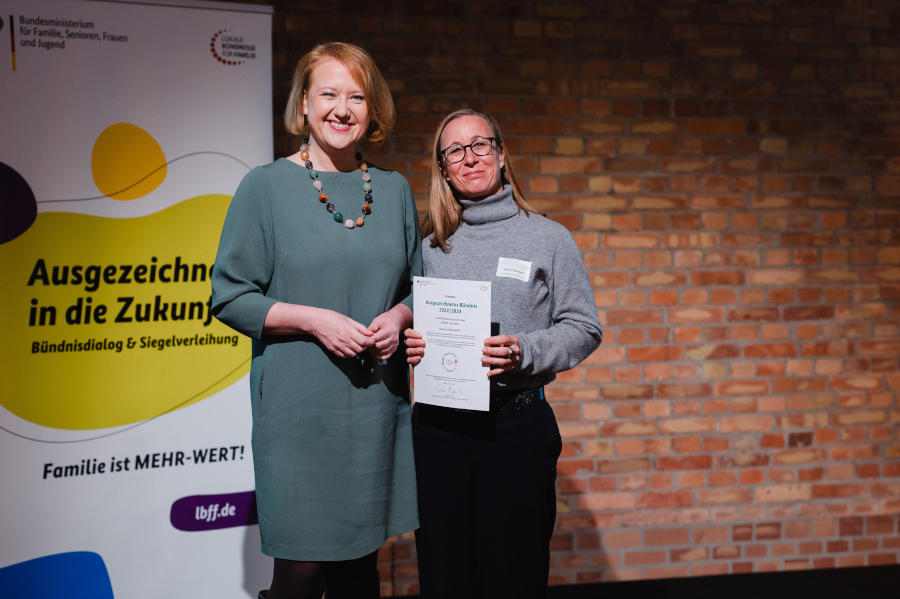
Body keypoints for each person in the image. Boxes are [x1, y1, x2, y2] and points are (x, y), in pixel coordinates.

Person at [211, 42, 421, 599]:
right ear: (303, 103)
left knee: (360, 568)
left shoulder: (395, 190)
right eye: (328, 93)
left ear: (372, 110)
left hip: (375, 403)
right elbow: (230, 297)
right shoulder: (265, 186)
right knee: (302, 572)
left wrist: (399, 317)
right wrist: (315, 321)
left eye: (357, 97)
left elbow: (419, 290)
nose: (342, 108)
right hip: (300, 410)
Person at [405, 109, 603, 599]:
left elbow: (584, 328)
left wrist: (526, 350)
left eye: (480, 145)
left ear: (500, 152)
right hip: (438, 432)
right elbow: (405, 315)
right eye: (455, 150)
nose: (469, 158)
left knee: (513, 577)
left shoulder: (547, 237)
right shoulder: (428, 246)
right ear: (443, 167)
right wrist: (410, 342)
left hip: (515, 432)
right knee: (444, 576)